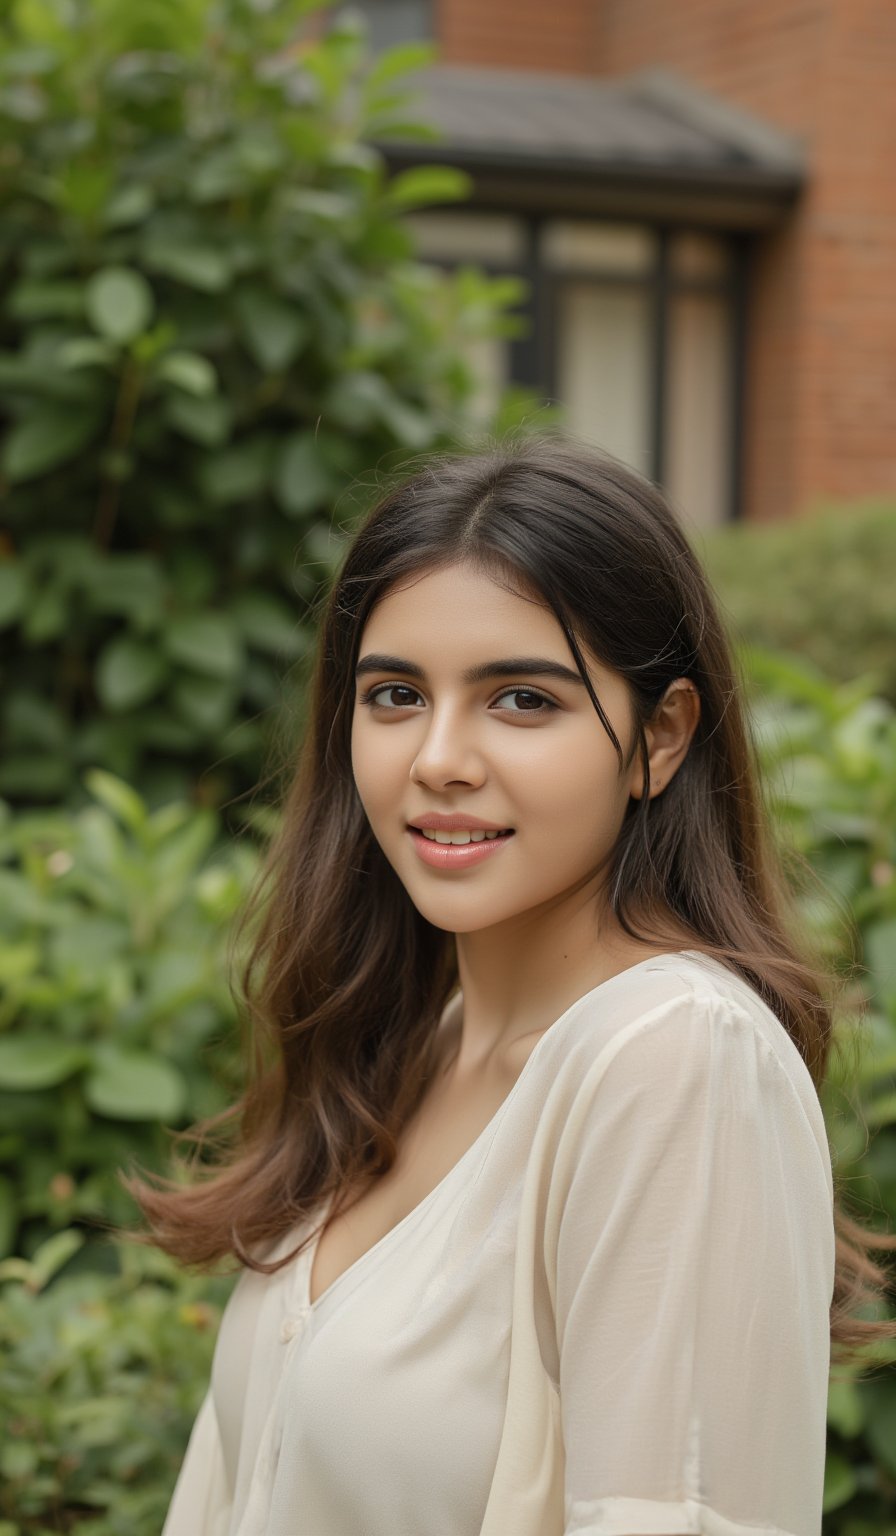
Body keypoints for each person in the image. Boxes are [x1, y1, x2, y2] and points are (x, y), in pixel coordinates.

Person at [129, 432, 876, 1536]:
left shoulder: (675, 1059)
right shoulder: (410, 1047)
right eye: (392, 695)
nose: (437, 757)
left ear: (656, 739)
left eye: (519, 699)